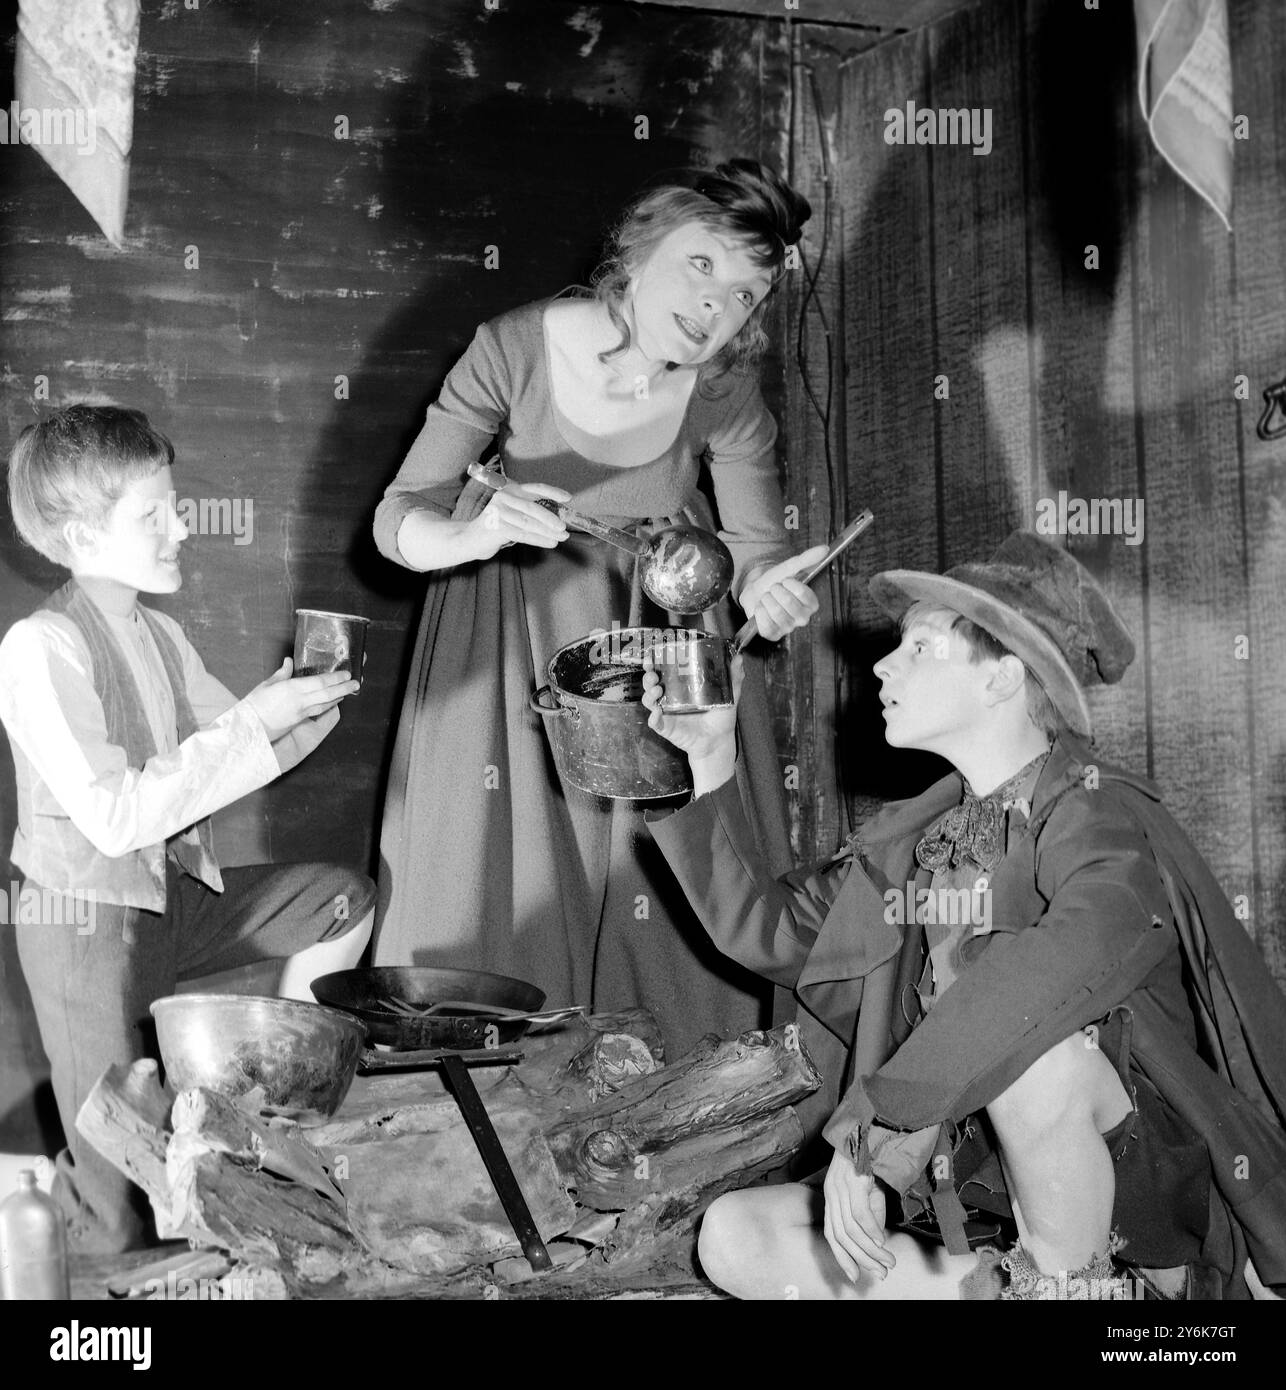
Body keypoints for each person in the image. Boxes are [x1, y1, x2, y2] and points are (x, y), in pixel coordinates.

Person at [642, 532, 1286, 1299]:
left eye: (920, 646)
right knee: (738, 1236)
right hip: (980, 1217)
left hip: (1144, 1218)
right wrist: (709, 758)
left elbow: (1061, 959)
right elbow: (769, 931)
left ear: (1003, 679)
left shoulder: (1095, 812)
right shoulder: (919, 843)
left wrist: (880, 1120)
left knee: (1038, 1067)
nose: (882, 664)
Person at [371, 159, 824, 1058]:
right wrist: (470, 537)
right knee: (499, 894)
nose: (715, 309)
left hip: (659, 657)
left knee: (659, 901)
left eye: (745, 294)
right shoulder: (513, 345)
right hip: (506, 649)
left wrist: (770, 591)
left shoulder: (728, 392)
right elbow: (398, 516)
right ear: (642, 246)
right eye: (702, 267)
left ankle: (670, 1116)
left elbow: (758, 548)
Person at [0, 405, 376, 1253]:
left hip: (171, 904)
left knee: (337, 901)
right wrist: (254, 724)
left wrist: (299, 705)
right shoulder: (40, 645)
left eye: (174, 505)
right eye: (154, 513)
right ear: (78, 533)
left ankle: (281, 1104)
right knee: (124, 1207)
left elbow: (235, 750)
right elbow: (115, 813)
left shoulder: (161, 633)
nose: (182, 526)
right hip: (86, 929)